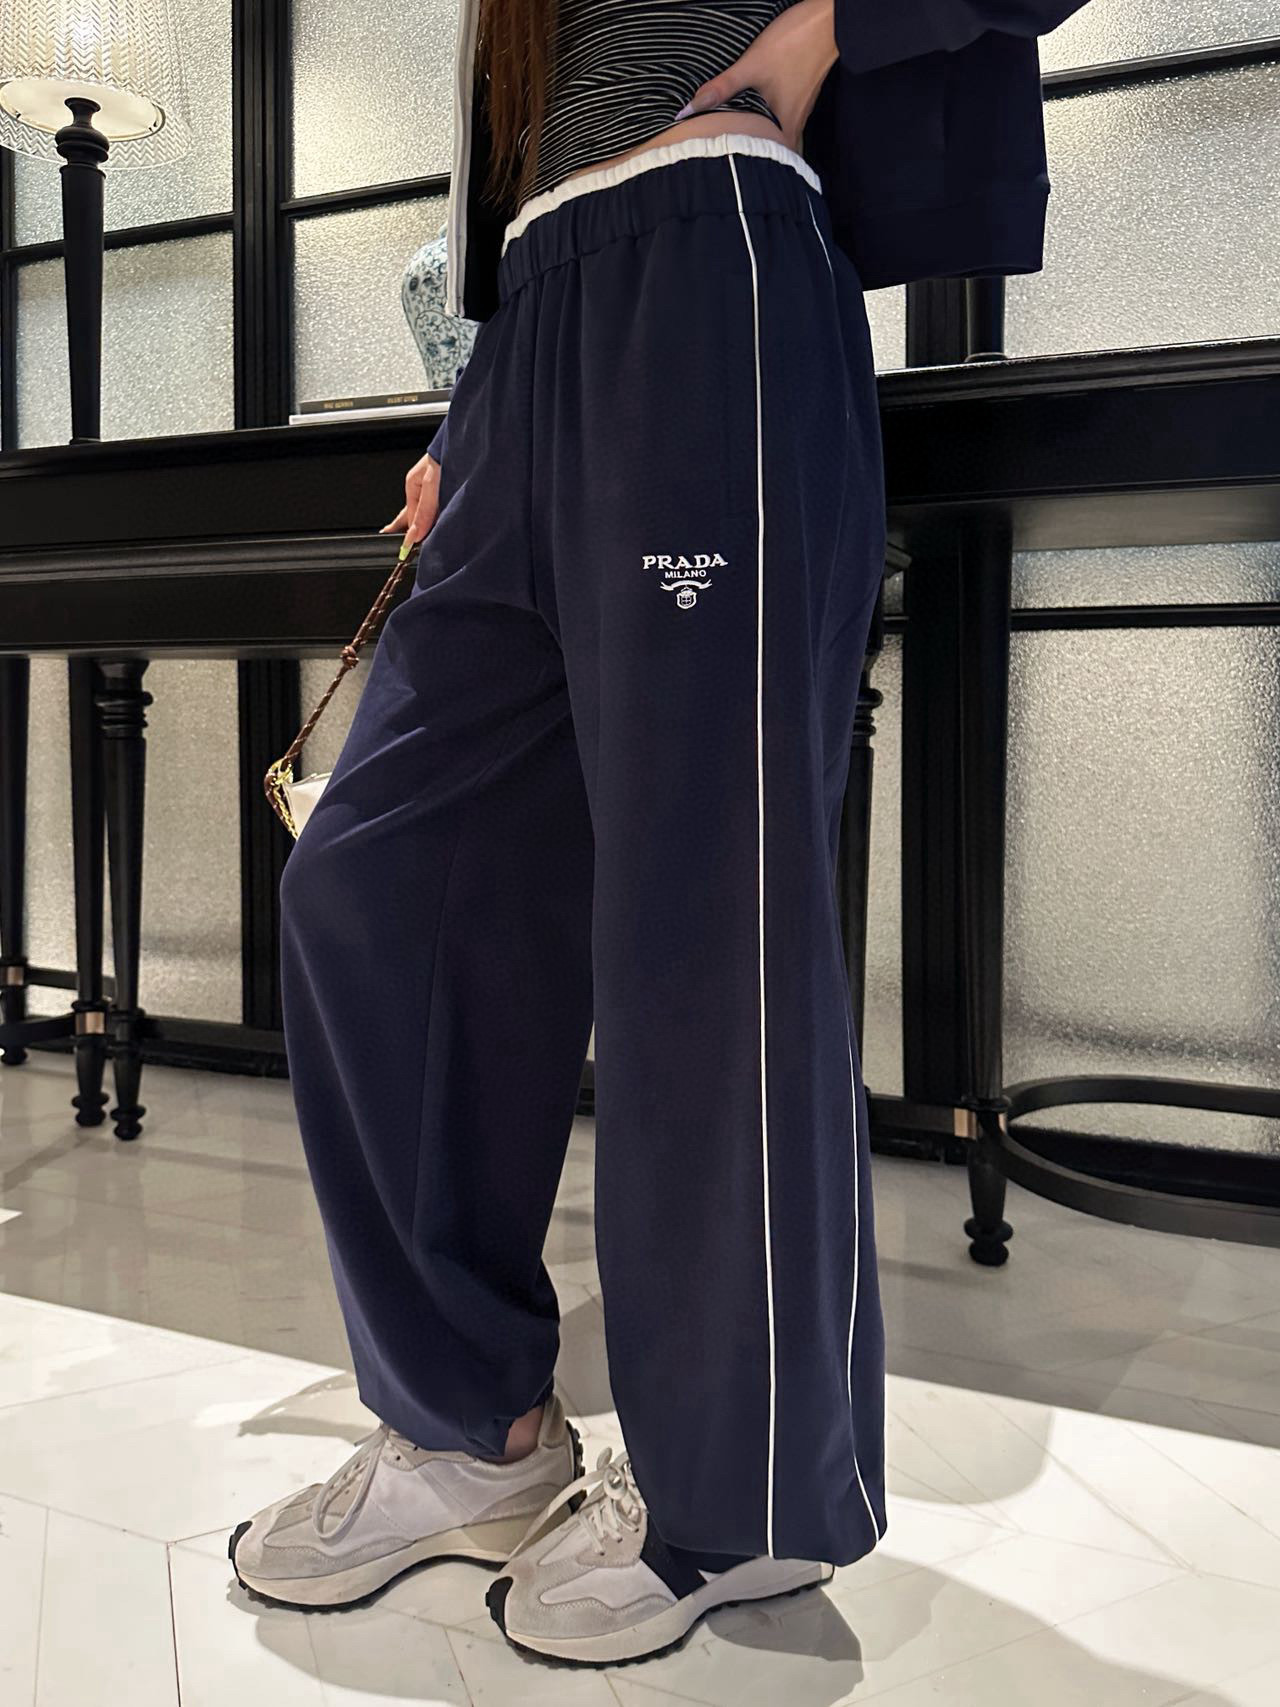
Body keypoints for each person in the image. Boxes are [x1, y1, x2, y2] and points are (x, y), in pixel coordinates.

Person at [229, 0, 1088, 1670]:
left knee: (702, 914)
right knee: (376, 883)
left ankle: (739, 1495)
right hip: (527, 327)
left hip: (714, 260)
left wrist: (829, 28)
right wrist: (479, 407)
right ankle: (471, 1425)